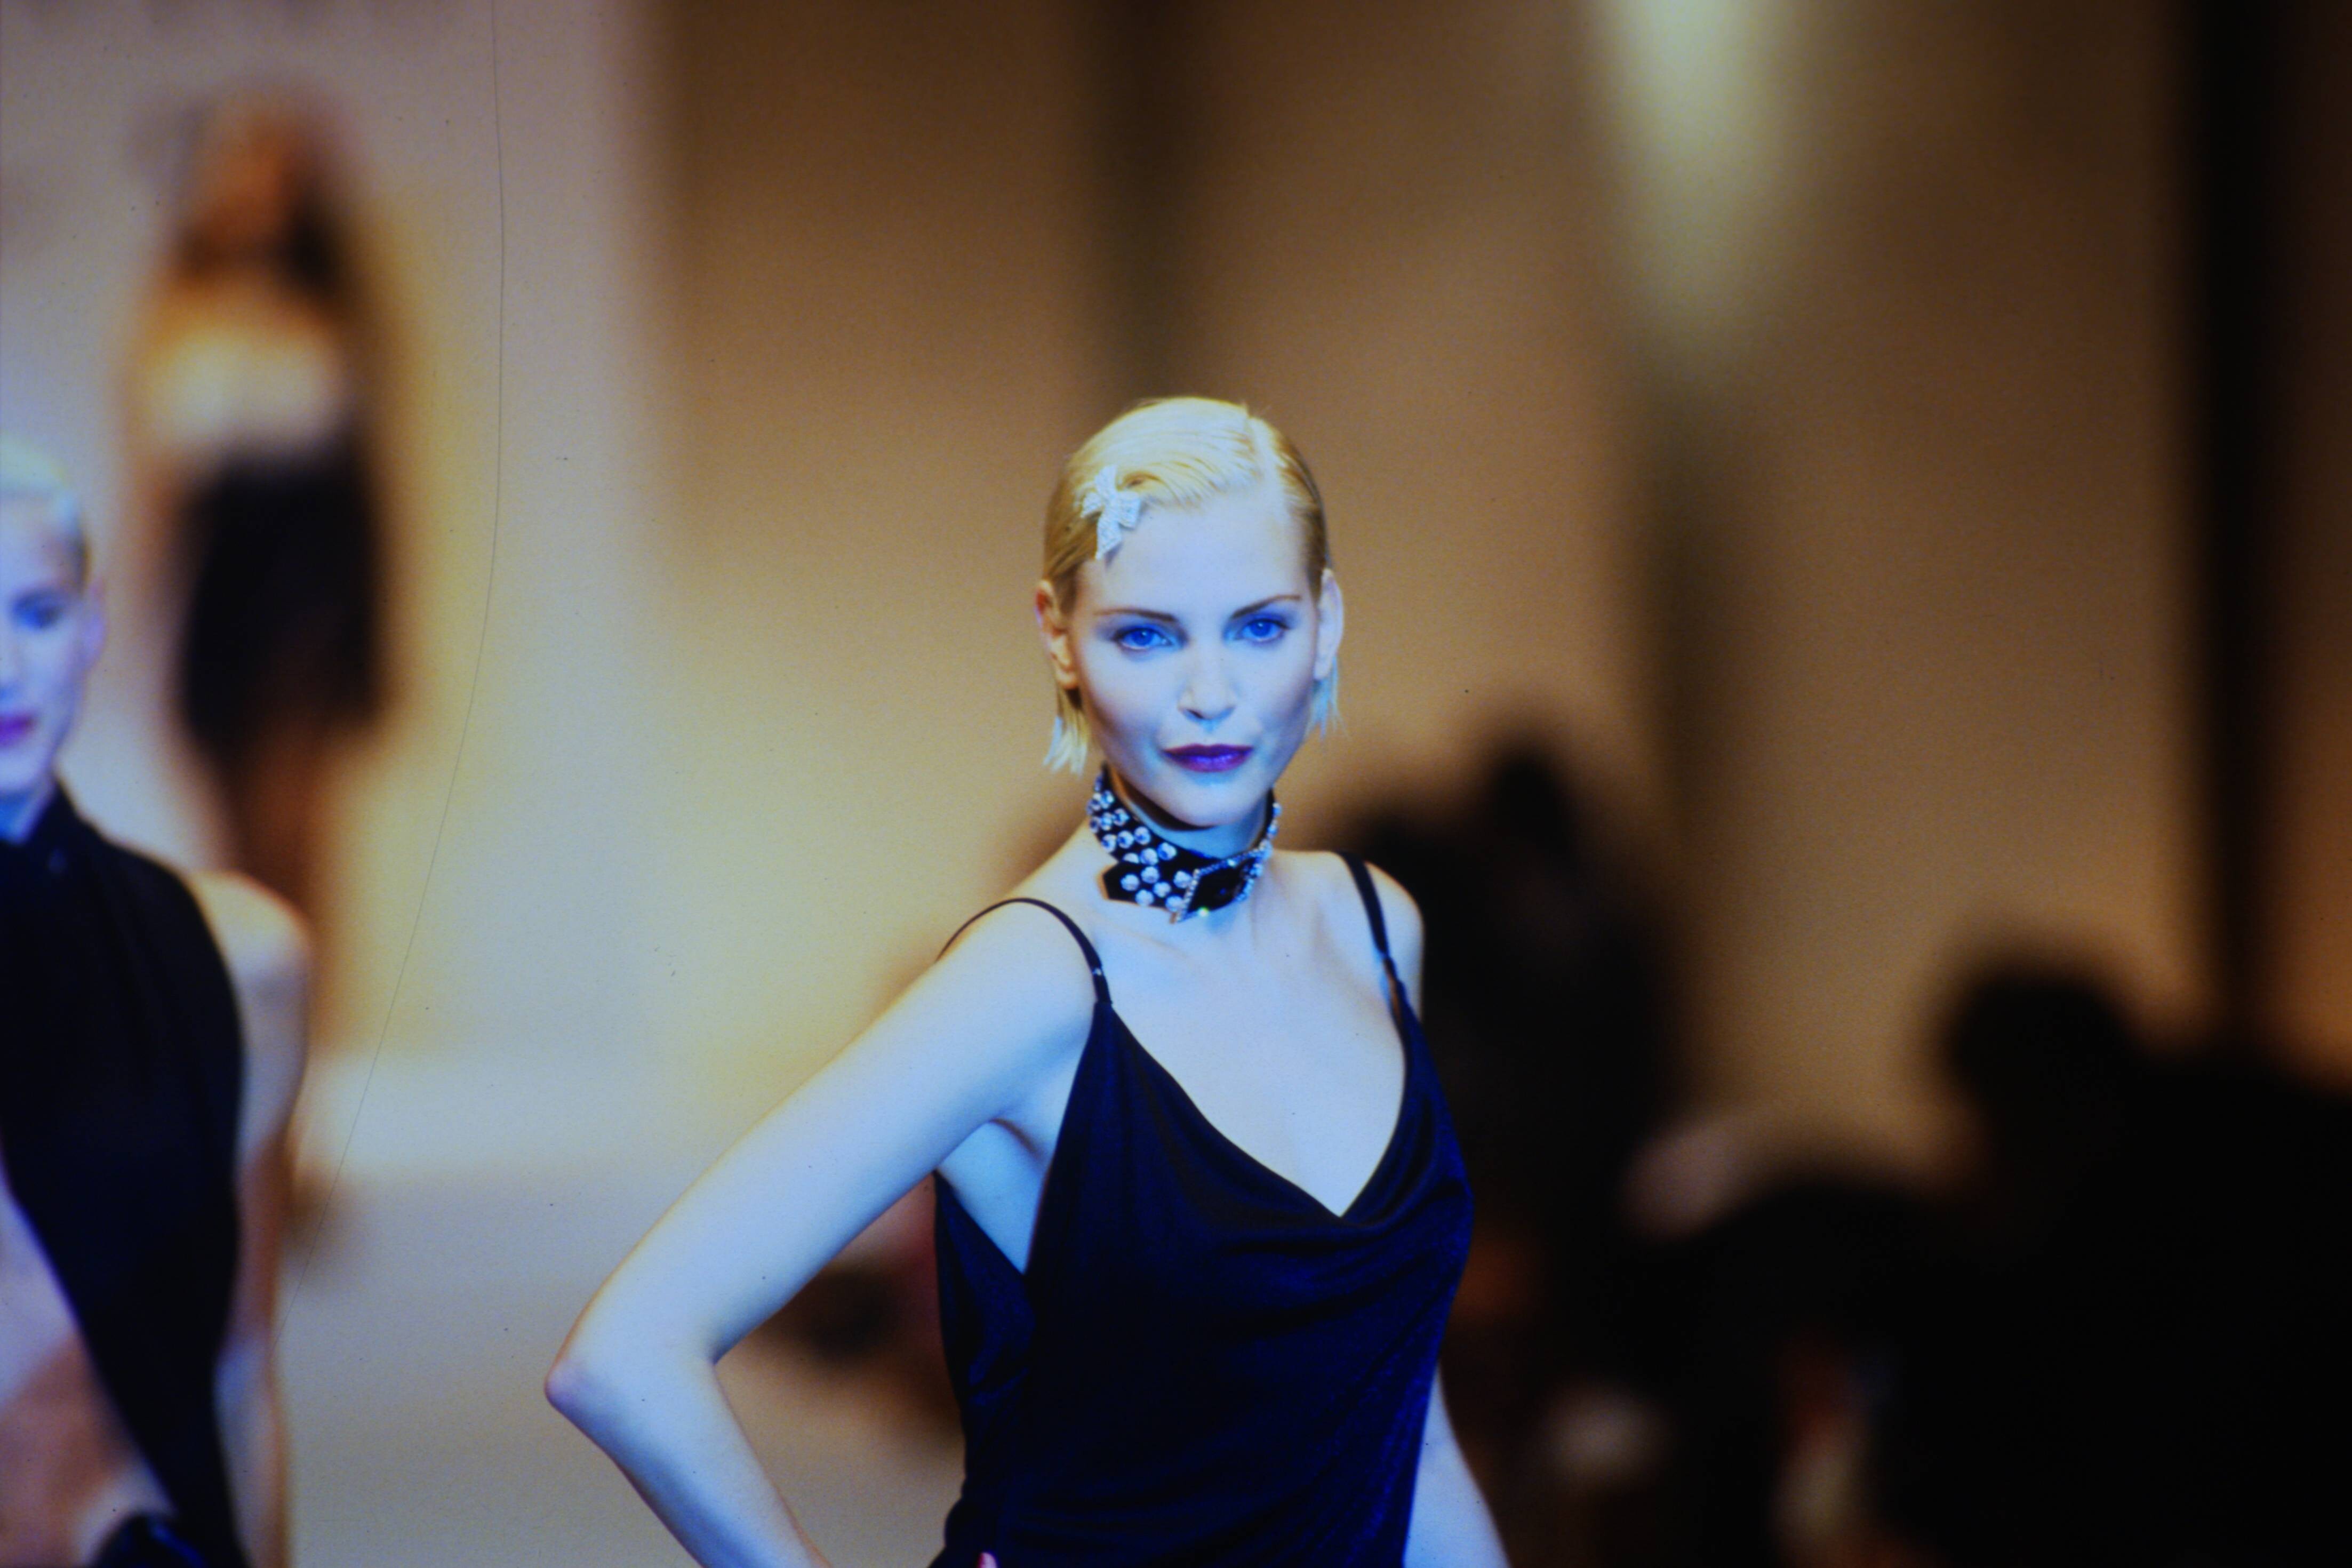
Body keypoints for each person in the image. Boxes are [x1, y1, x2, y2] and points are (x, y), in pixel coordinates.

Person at [548, 398, 1508, 1567]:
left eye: (1259, 626)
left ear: (1328, 619)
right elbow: (625, 1356)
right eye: (1146, 637)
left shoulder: (1374, 925)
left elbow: (1412, 1434)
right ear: (1058, 636)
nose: (1211, 691)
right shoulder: (1028, 983)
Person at [0, 436, 308, 1568]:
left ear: (93, 627)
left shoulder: (242, 958)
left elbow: (242, 1369)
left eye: (38, 615)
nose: (4, 669)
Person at [125, 98, 387, 917]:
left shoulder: (331, 306)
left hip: (309, 575)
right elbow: (155, 479)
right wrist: (133, 611)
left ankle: (310, 996)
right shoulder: (171, 308)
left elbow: (366, 469)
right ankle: (248, 991)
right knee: (232, 831)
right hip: (218, 575)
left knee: (295, 821)